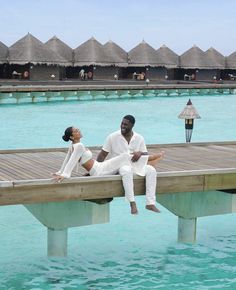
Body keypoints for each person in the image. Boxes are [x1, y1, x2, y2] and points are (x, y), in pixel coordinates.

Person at [52, 127, 163, 189]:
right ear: (72, 137)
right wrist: (65, 174)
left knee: (124, 159)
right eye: (76, 131)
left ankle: (148, 161)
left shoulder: (73, 146)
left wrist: (60, 171)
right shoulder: (78, 146)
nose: (79, 131)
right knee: (125, 157)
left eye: (77, 129)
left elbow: (67, 160)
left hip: (99, 167)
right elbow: (71, 161)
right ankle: (151, 158)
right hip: (99, 171)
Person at [96, 115, 165, 214]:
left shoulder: (139, 138)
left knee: (151, 170)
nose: (123, 126)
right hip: (119, 166)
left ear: (132, 125)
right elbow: (102, 154)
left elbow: (145, 153)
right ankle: (132, 203)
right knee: (126, 170)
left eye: (126, 124)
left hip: (135, 165)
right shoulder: (112, 137)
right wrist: (97, 168)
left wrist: (140, 153)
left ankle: (150, 203)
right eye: (122, 123)